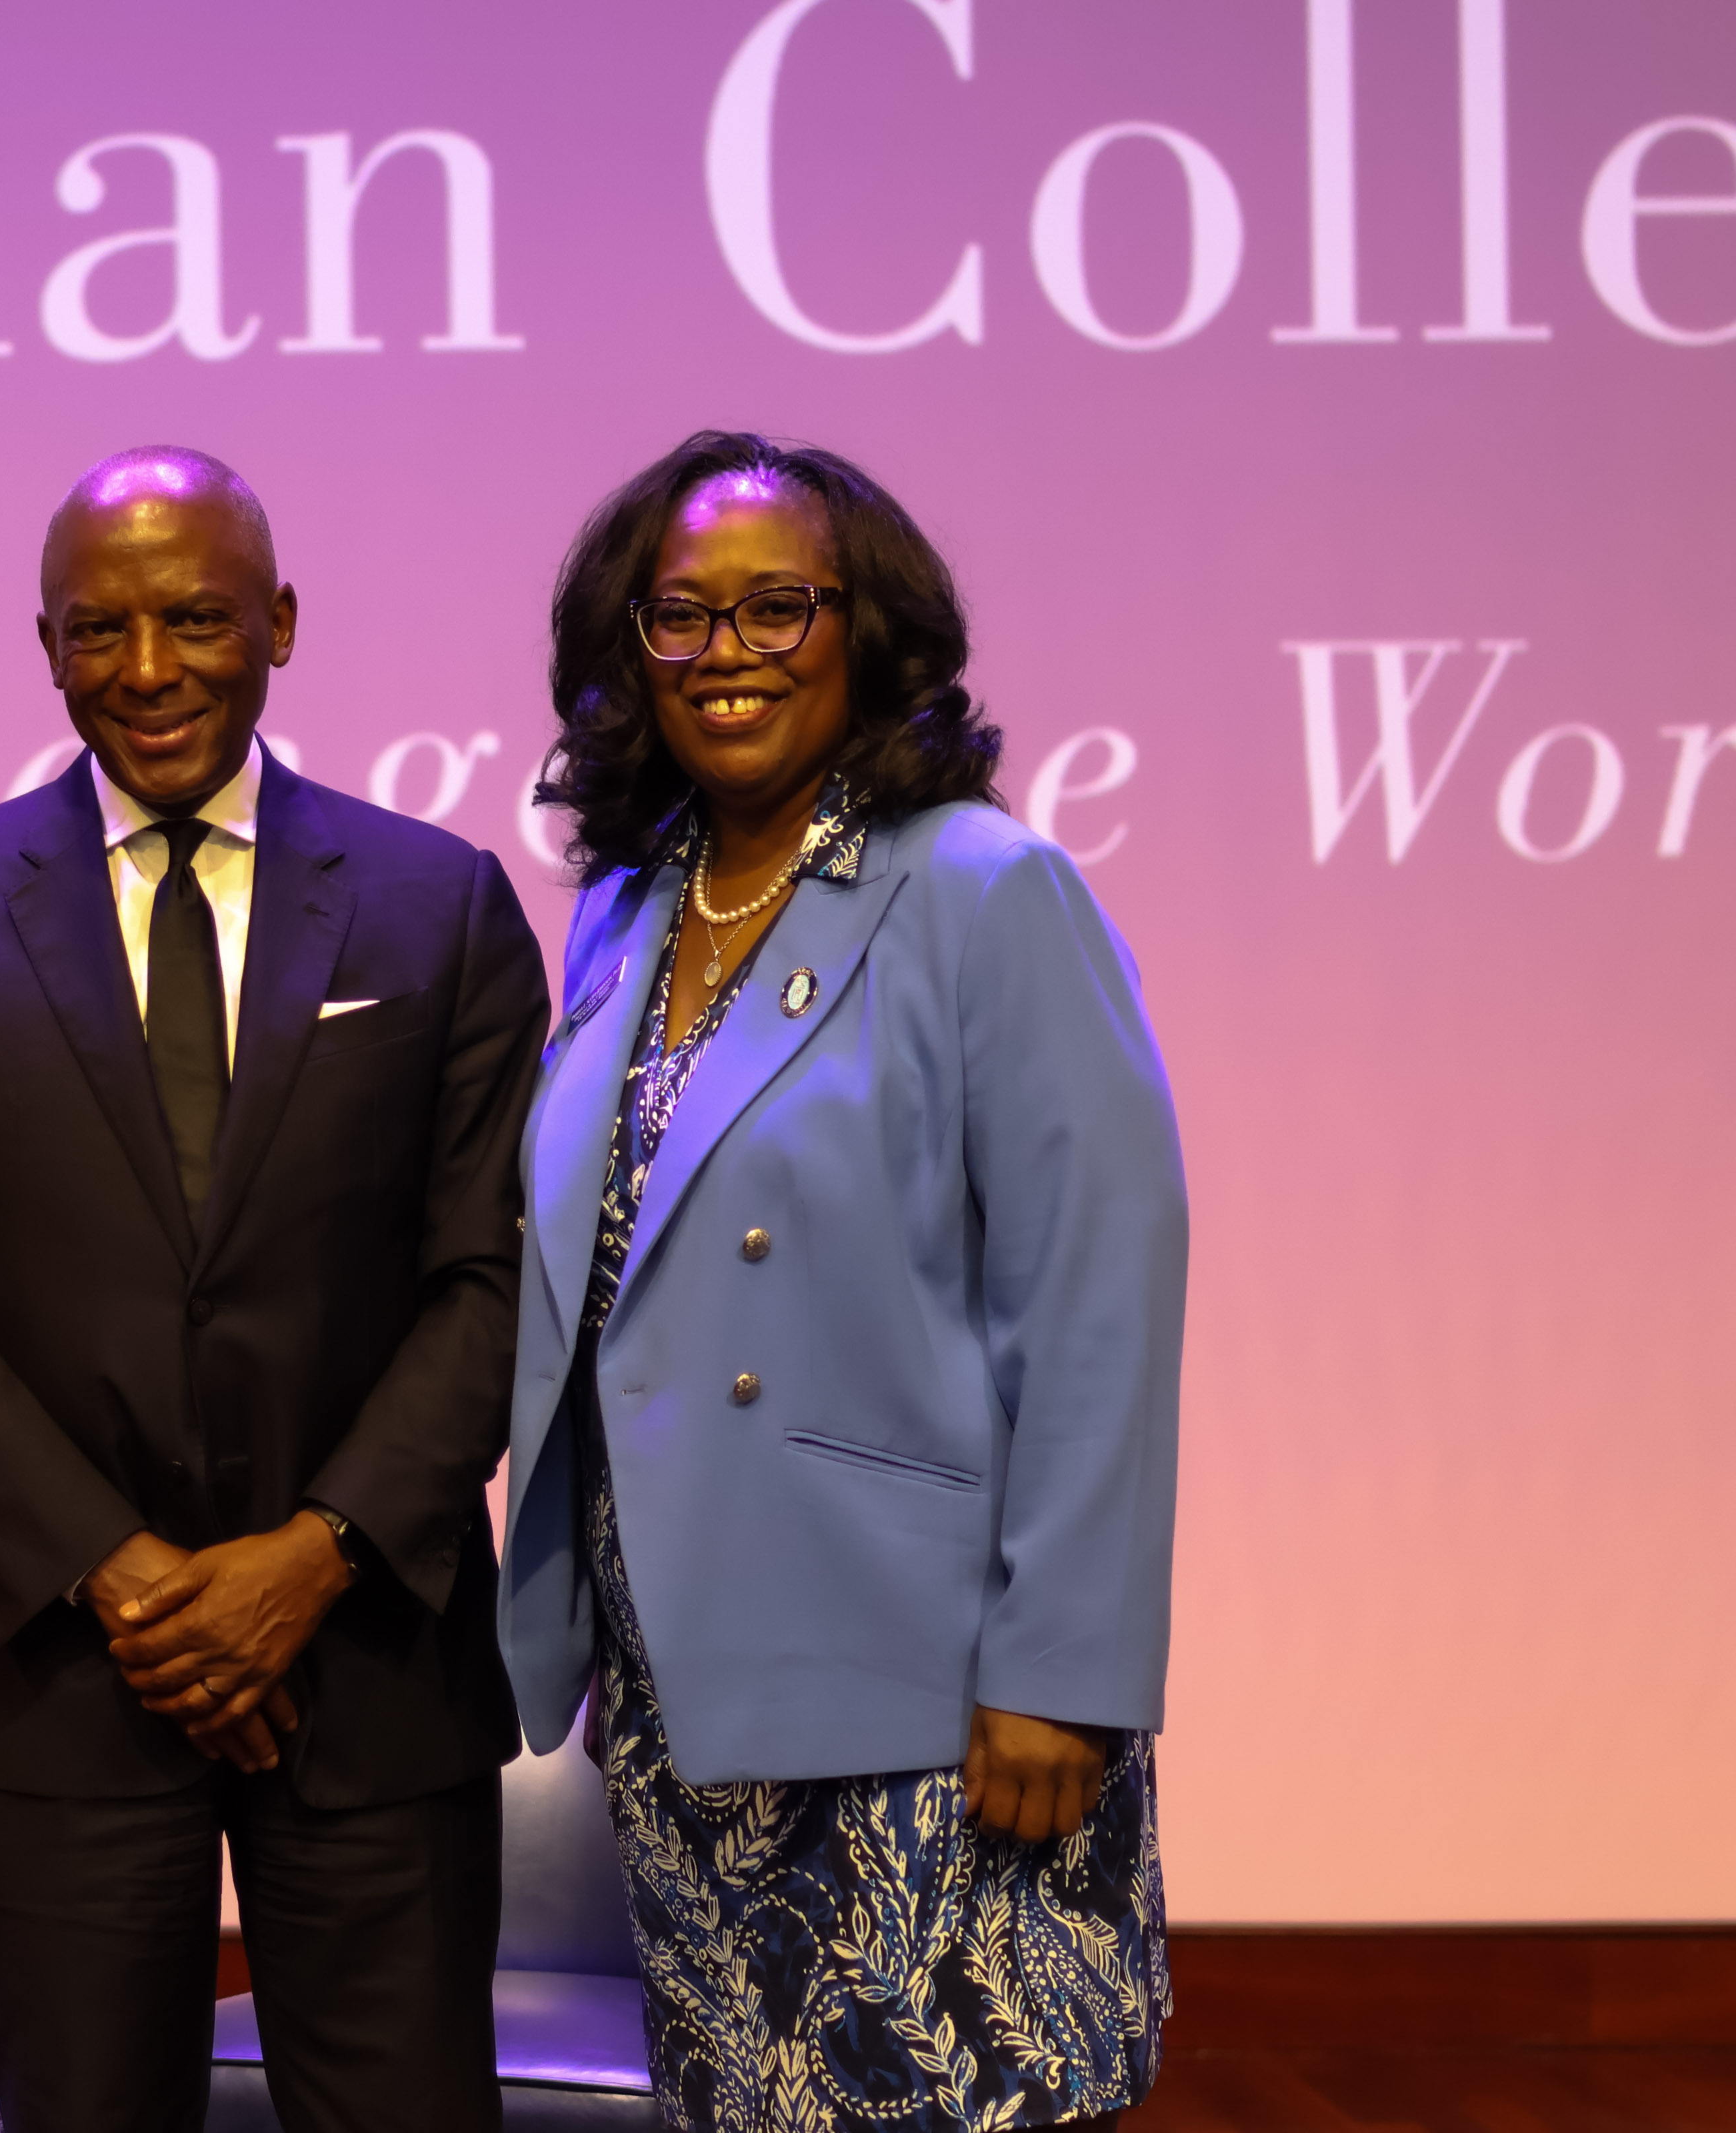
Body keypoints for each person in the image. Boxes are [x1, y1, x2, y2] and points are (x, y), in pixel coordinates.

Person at [0, 447, 549, 2133]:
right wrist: (131, 1579)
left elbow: (494, 1273)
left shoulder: (437, 903)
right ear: (48, 645)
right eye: (100, 629)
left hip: (370, 1657)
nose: (147, 668)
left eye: (197, 618)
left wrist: (313, 1558)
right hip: (66, 1675)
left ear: (280, 622)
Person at [500, 431, 1183, 2133]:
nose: (726, 652)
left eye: (777, 607)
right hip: (684, 1690)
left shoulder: (981, 888)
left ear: (868, 632)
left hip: (935, 1707)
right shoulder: (627, 910)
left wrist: (1067, 1672)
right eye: (681, 616)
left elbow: (1098, 1296)